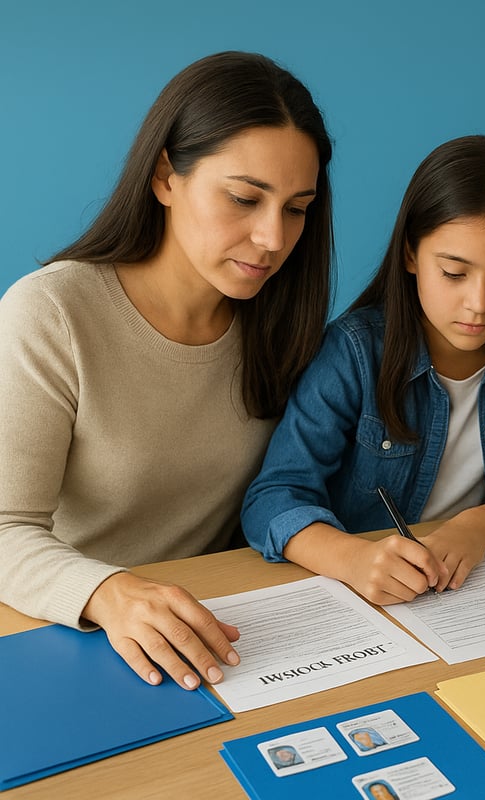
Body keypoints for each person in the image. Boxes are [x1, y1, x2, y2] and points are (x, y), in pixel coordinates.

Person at [0, 53, 334, 688]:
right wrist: (111, 593)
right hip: (80, 629)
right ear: (164, 178)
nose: (271, 237)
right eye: (243, 198)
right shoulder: (52, 313)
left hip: (232, 631)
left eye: (297, 208)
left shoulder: (283, 324)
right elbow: (3, 529)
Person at [242, 135, 485, 602]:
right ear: (410, 254)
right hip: (371, 598)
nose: (479, 304)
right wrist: (353, 560)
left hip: (480, 589)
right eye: (453, 273)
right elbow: (273, 498)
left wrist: (477, 528)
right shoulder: (355, 351)